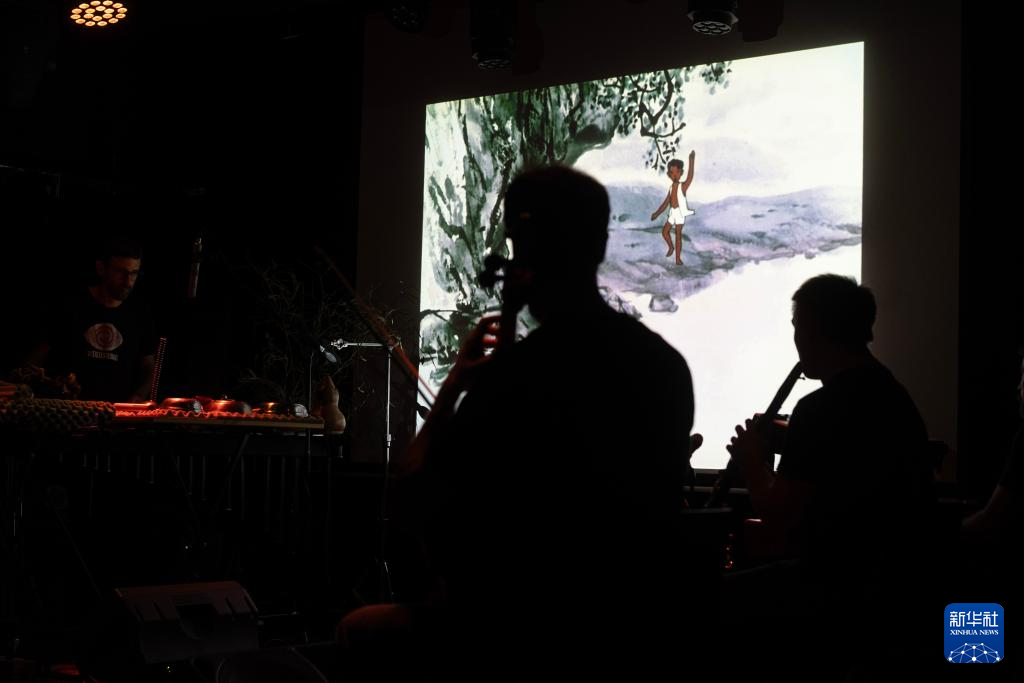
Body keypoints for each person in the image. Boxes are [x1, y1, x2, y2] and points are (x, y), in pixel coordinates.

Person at [339, 166, 697, 679]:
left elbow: (411, 498)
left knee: (358, 630)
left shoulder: (512, 378)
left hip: (515, 635)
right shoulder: (666, 366)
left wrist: (455, 385)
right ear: (599, 246)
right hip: (636, 631)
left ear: (523, 250)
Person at [725, 273, 936, 676]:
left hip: (835, 588)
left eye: (797, 327)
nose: (795, 339)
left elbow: (778, 515)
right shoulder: (891, 394)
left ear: (814, 331)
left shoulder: (818, 408)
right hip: (899, 585)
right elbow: (846, 450)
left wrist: (752, 462)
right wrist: (791, 437)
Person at [25, 237, 157, 403]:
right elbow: (36, 359)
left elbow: (147, 367)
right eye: (120, 272)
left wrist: (135, 400)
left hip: (116, 414)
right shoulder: (70, 305)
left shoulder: (140, 313)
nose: (128, 282)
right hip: (68, 411)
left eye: (134, 273)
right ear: (101, 268)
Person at [650, 150, 696, 266]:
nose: (674, 175)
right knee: (664, 232)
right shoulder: (671, 188)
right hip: (672, 213)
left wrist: (691, 160)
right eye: (672, 173)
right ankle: (671, 247)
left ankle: (678, 259)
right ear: (669, 174)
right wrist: (656, 214)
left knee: (678, 236)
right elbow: (666, 203)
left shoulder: (683, 186)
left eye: (677, 172)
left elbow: (690, 177)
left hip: (679, 213)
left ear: (681, 173)